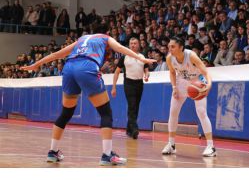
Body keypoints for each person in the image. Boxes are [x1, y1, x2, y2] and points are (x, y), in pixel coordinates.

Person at [21, 34, 156, 166]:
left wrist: (36, 64)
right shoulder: (106, 38)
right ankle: (107, 155)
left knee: (66, 112)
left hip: (69, 68)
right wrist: (141, 59)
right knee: (105, 112)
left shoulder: (82, 39)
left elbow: (57, 54)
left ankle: (52, 152)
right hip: (86, 67)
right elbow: (120, 47)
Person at [161, 36, 216, 157]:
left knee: (201, 112)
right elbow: (171, 72)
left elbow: (206, 72)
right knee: (173, 112)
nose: (170, 48)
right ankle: (171, 144)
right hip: (182, 82)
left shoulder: (191, 56)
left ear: (181, 47)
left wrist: (209, 85)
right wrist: (174, 87)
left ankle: (211, 146)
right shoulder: (170, 58)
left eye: (173, 46)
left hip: (197, 81)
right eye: (169, 46)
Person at [111, 37, 150, 139]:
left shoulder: (142, 56)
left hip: (139, 84)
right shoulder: (124, 57)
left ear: (138, 45)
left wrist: (146, 75)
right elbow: (116, 72)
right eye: (131, 43)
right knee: (132, 105)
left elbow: (146, 69)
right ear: (129, 45)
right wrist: (114, 87)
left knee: (135, 107)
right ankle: (134, 129)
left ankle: (129, 129)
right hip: (129, 84)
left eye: (135, 43)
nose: (133, 45)